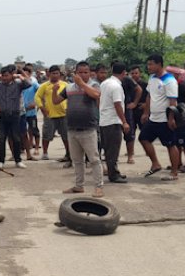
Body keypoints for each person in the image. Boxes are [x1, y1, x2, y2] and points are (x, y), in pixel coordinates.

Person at [52, 62, 104, 197]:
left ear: (89, 73)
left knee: (94, 159)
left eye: (85, 72)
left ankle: (99, 187)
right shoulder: (69, 88)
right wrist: (53, 91)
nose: (83, 75)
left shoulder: (93, 85)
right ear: (76, 73)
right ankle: (79, 186)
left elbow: (96, 95)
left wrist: (81, 84)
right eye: (80, 72)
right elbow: (56, 101)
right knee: (77, 160)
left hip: (88, 128)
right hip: (72, 128)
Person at [139, 54, 181, 181]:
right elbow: (149, 96)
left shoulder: (169, 80)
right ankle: (155, 163)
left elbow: (172, 100)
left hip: (165, 118)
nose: (149, 67)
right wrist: (146, 113)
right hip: (153, 118)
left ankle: (174, 172)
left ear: (159, 64)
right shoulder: (152, 78)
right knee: (143, 138)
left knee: (171, 145)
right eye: (148, 64)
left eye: (151, 64)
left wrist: (171, 118)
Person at [0, 66, 31, 169]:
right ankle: (1, 161)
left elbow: (28, 84)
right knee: (2, 139)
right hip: (3, 115)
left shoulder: (18, 85)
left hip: (15, 115)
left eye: (7, 75)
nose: (4, 78)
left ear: (11, 75)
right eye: (3, 75)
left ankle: (18, 160)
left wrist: (19, 75)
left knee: (16, 138)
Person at [99, 63, 130, 184]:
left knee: (108, 149)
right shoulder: (116, 86)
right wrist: (124, 122)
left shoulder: (105, 83)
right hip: (113, 121)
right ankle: (113, 175)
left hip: (105, 120)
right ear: (123, 73)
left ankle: (114, 171)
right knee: (113, 150)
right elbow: (117, 104)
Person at [35, 65, 69, 162]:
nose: (55, 75)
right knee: (47, 135)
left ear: (60, 74)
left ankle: (68, 153)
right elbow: (37, 97)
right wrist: (42, 108)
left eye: (57, 73)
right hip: (50, 115)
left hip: (63, 114)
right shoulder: (44, 86)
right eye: (53, 73)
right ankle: (45, 153)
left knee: (65, 135)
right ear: (49, 74)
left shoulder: (65, 85)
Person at [123, 67, 143, 164]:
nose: (134, 75)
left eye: (136, 73)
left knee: (130, 132)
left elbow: (139, 90)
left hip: (130, 108)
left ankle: (130, 155)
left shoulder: (127, 79)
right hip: (118, 108)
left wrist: (135, 103)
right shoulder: (111, 81)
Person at [22, 66, 40, 158]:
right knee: (22, 131)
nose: (24, 75)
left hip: (31, 112)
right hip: (21, 112)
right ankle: (24, 149)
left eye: (26, 73)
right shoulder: (19, 84)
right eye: (22, 73)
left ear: (29, 74)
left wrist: (35, 103)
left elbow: (40, 92)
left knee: (34, 130)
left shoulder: (33, 84)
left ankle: (36, 148)